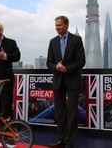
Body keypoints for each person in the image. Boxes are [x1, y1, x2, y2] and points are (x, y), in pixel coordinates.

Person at [46, 15, 86, 148]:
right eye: (56, 25)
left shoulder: (77, 39)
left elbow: (81, 61)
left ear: (67, 25)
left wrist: (66, 68)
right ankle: (62, 139)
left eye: (59, 25)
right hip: (58, 81)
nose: (57, 28)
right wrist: (56, 67)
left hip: (73, 80)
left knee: (72, 111)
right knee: (59, 111)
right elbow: (49, 63)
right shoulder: (52, 42)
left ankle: (70, 141)